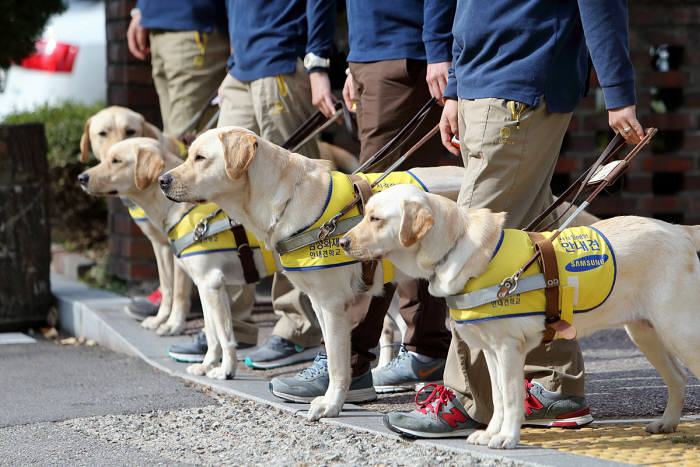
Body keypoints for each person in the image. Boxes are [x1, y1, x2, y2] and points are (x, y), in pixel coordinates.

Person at [383, 0, 644, 437]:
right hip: (486, 82)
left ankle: (468, 397)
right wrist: (457, 89)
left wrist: (618, 92)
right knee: (525, 245)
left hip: (520, 83)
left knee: (470, 250)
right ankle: (554, 385)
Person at [268, 0, 456, 404]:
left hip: (402, 53)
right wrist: (350, 60)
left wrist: (436, 50)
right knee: (401, 204)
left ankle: (352, 364)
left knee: (374, 206)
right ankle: (427, 349)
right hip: (383, 51)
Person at [210, 0, 339, 369]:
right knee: (223, 183)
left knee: (298, 197)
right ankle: (231, 320)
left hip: (281, 61)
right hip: (241, 68)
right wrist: (234, 61)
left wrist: (317, 62)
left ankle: (299, 326)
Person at [124, 0, 232, 327]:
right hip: (164, 24)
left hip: (194, 25)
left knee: (188, 167)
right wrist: (142, 11)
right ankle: (177, 287)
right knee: (180, 155)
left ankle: (189, 295)